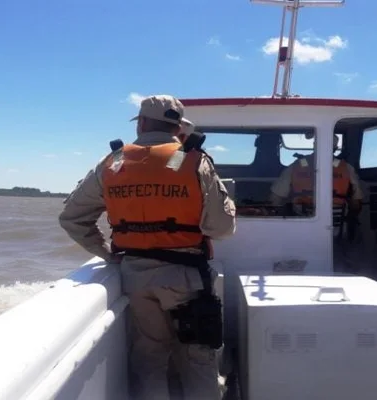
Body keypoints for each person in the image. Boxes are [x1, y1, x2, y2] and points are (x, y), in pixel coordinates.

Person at [58, 94, 236, 400]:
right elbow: (222, 228)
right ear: (178, 126)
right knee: (198, 361)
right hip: (186, 278)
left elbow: (71, 218)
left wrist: (106, 253)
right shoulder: (193, 159)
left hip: (135, 278)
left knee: (149, 361)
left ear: (140, 122)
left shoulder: (113, 161)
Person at [270, 133, 363, 219]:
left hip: (303, 221)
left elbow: (275, 198)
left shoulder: (297, 165)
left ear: (314, 145)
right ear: (335, 148)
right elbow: (356, 204)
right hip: (338, 226)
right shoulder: (347, 168)